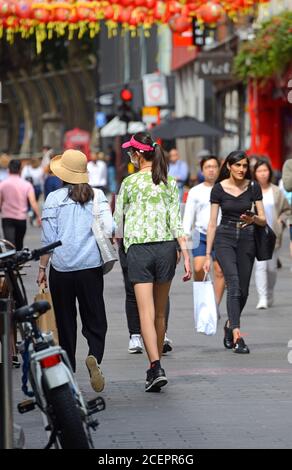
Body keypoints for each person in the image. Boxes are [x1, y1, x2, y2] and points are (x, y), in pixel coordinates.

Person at [114, 132, 191, 393]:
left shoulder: (129, 183)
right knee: (159, 312)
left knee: (144, 312)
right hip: (167, 248)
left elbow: (117, 224)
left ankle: (155, 365)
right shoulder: (169, 182)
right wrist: (186, 253)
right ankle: (155, 367)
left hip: (139, 249)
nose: (130, 157)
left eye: (130, 153)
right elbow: (176, 220)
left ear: (137, 154)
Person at [37, 149, 114, 393]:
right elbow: (110, 228)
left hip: (61, 268)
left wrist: (41, 267)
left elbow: (48, 238)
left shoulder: (53, 198)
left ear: (62, 174)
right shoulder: (98, 195)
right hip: (90, 268)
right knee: (95, 318)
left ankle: (68, 372)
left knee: (65, 321)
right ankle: (94, 355)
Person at [204, 151, 266, 354]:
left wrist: (253, 219)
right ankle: (238, 336)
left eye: (245, 166)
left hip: (247, 238)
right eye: (237, 165)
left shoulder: (253, 187)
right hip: (225, 238)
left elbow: (263, 219)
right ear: (229, 166)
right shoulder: (218, 189)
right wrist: (207, 254)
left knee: (245, 290)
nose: (241, 169)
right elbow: (212, 223)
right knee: (234, 284)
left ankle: (230, 323)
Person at [183, 154, 225, 310]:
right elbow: (188, 216)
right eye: (208, 167)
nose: (211, 170)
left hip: (220, 235)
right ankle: (203, 298)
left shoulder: (224, 188)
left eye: (214, 167)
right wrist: (184, 240)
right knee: (199, 268)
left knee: (220, 271)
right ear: (202, 170)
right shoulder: (195, 191)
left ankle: (215, 305)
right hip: (199, 234)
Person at [118, 239, 175, 355]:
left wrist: (180, 248)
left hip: (161, 242)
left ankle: (161, 335)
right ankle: (135, 335)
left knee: (160, 291)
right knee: (132, 291)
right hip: (133, 242)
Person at [253, 159, 290, 309]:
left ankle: (269, 293)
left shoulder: (276, 191)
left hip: (273, 234)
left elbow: (287, 210)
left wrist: (281, 221)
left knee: (271, 269)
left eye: (265, 171)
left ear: (270, 172)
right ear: (255, 173)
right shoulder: (251, 190)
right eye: (259, 171)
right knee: (260, 266)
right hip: (256, 234)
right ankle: (262, 297)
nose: (263, 174)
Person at [0, 159, 41, 250]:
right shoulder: (27, 185)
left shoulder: (2, 184)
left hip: (7, 218)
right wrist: (38, 216)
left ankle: (11, 262)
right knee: (19, 245)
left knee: (9, 245)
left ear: (8, 169)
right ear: (20, 170)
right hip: (21, 218)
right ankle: (18, 263)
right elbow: (33, 202)